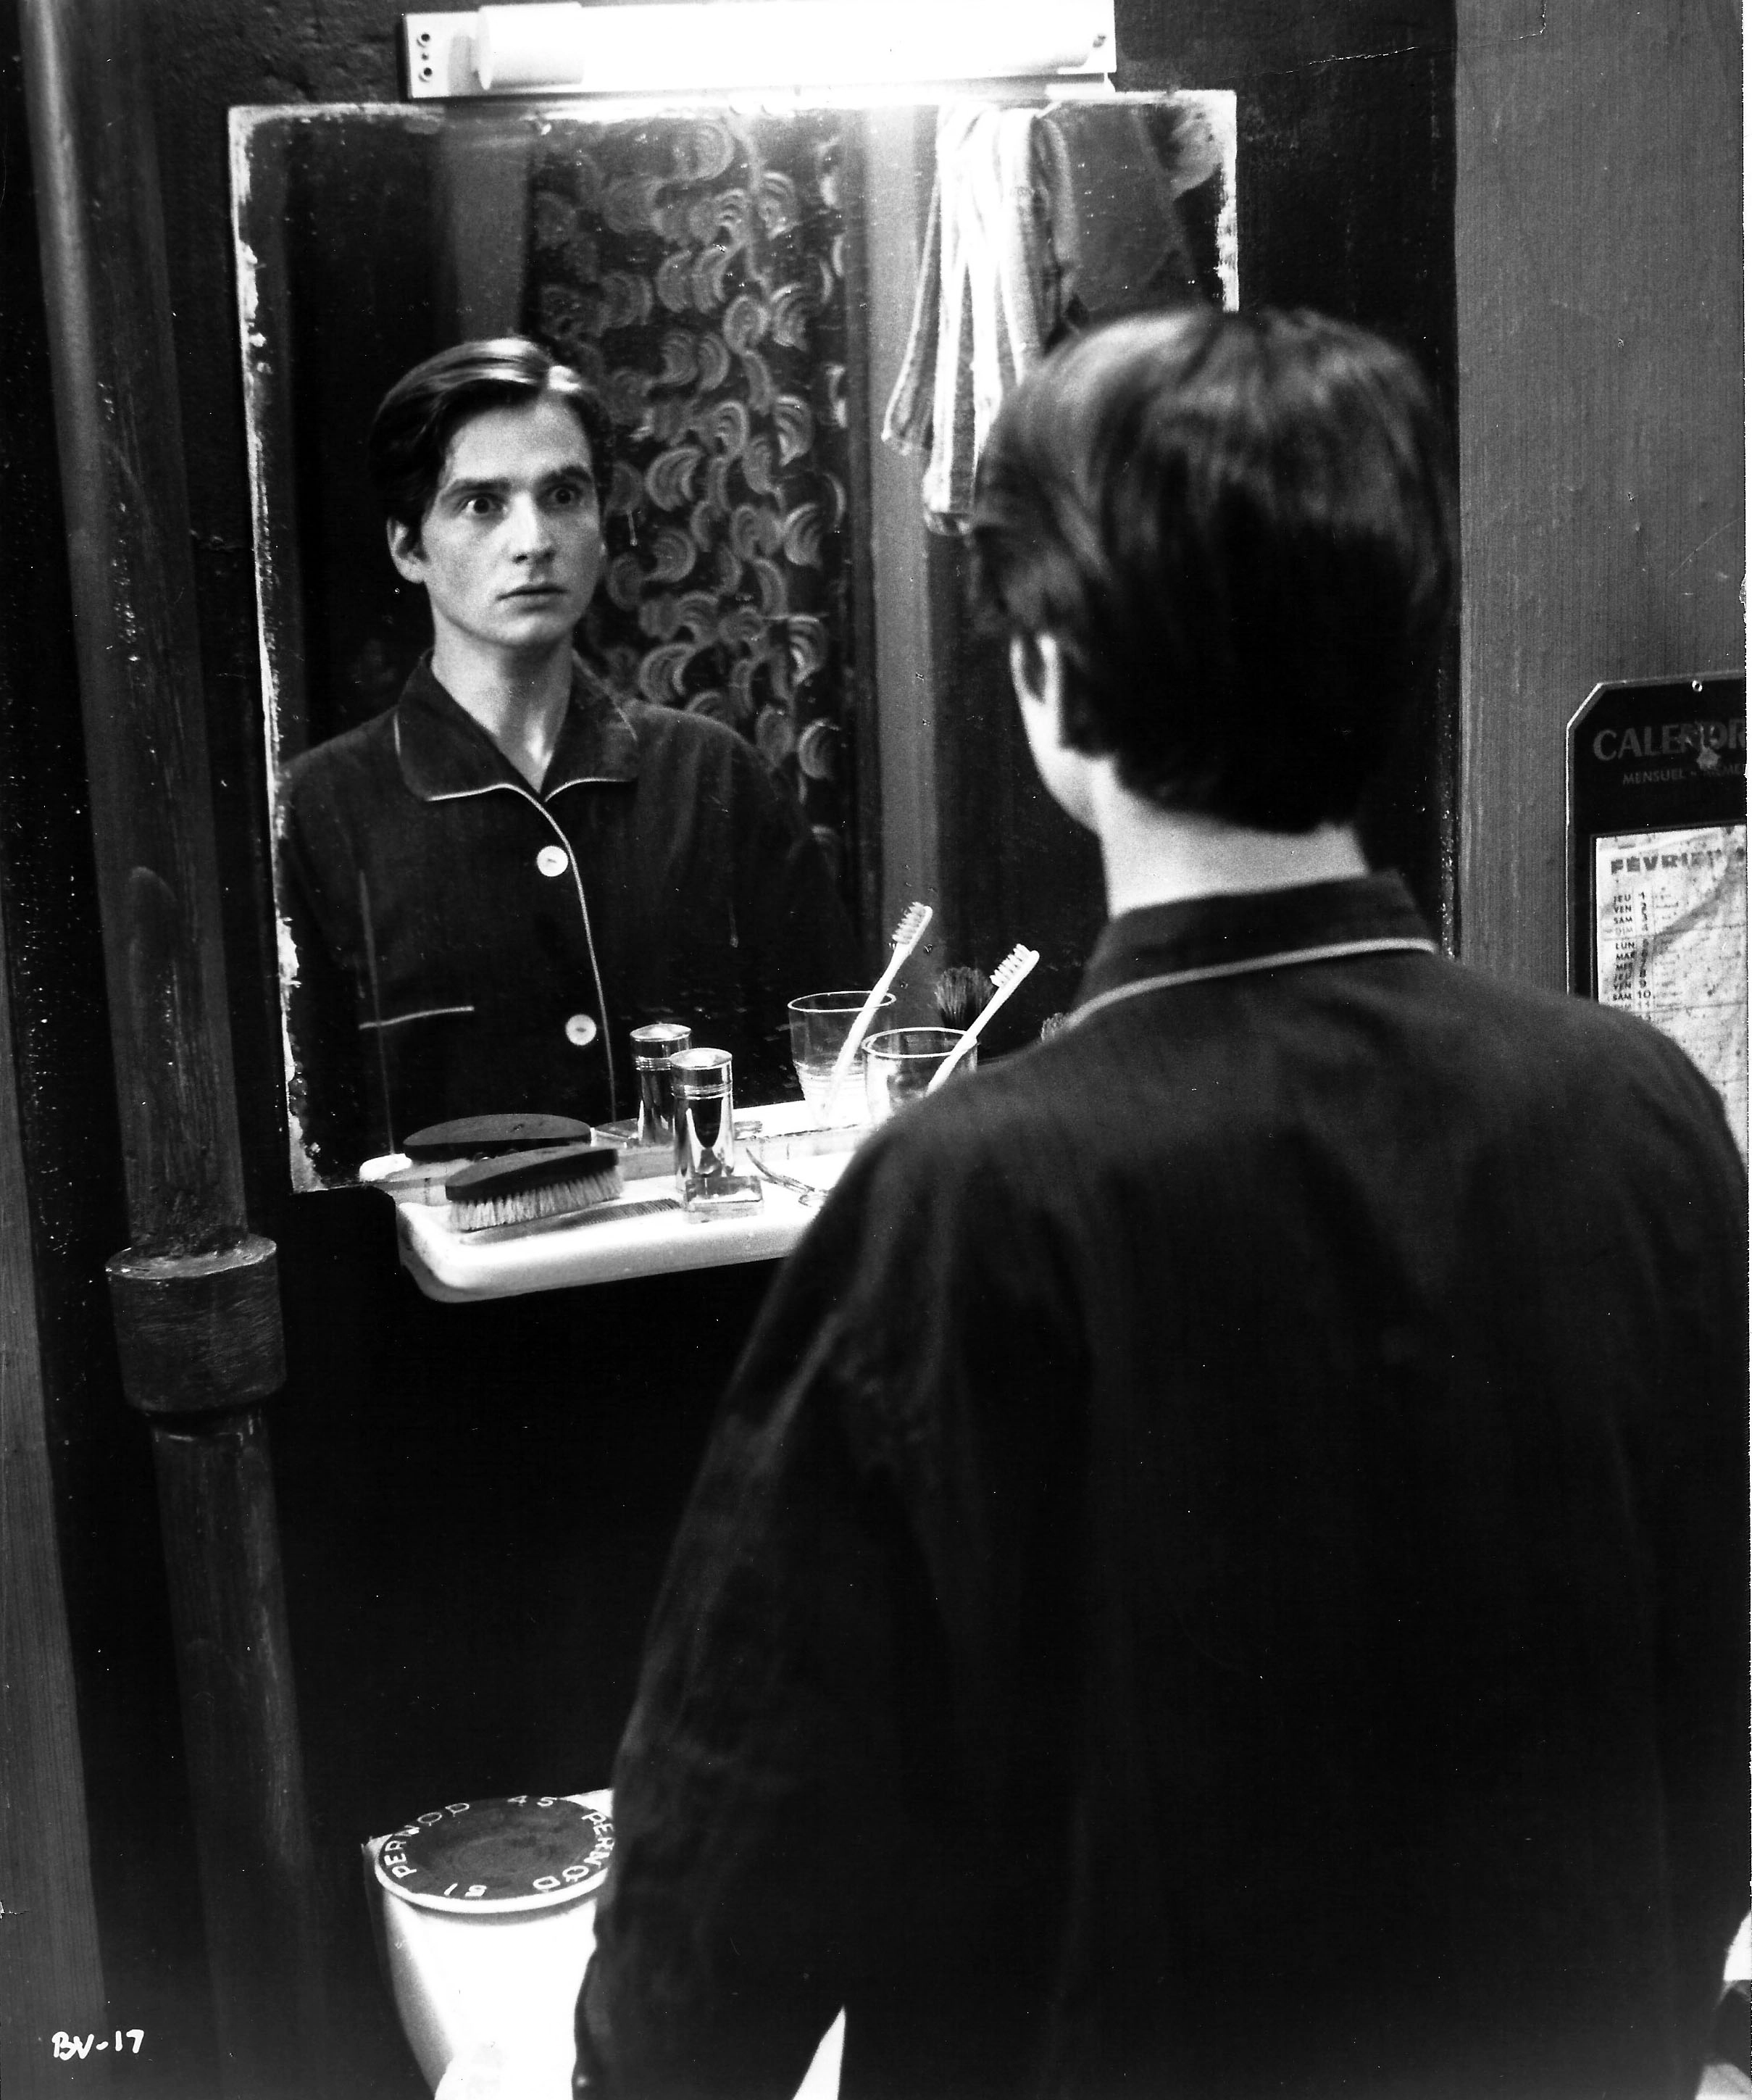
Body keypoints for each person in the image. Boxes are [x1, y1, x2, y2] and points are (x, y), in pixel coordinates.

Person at [574, 309, 1749, 2099]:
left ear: (1048, 676)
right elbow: (1713, 1736)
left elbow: (721, 1893)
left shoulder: (962, 1201)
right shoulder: (1640, 1115)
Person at [278, 338, 859, 1175]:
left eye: (563, 495)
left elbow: (834, 1081)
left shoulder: (709, 774)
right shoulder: (320, 809)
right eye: (482, 504)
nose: (535, 540)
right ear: (408, 546)